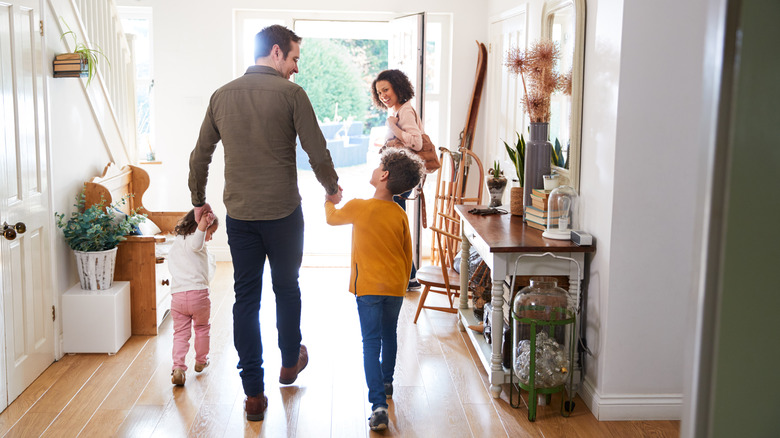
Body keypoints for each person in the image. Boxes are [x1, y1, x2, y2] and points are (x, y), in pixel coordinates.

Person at [188, 24, 342, 422]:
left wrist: (197, 202)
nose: (296, 68)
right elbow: (316, 150)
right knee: (287, 288)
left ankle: (253, 394)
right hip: (284, 215)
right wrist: (332, 188)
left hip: (240, 216)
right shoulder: (292, 95)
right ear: (276, 52)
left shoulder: (221, 95)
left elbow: (198, 156)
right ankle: (290, 362)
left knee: (245, 299)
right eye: (294, 58)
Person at [324, 147, 425, 431]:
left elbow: (332, 218)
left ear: (384, 175)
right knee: (389, 333)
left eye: (379, 165)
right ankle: (387, 382)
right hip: (394, 286)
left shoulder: (358, 206)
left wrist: (329, 200)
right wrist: (403, 283)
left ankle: (378, 405)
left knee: (371, 342)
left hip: (367, 288)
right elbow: (408, 256)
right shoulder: (399, 214)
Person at [371, 69, 424, 290]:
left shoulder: (405, 111)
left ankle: (409, 276)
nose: (383, 95)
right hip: (396, 178)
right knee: (397, 226)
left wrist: (392, 127)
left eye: (386, 89)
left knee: (395, 228)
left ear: (397, 87)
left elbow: (417, 142)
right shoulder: (399, 111)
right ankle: (409, 276)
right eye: (379, 92)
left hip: (400, 179)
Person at [169, 208, 218, 386]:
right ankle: (201, 360)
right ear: (200, 227)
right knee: (202, 328)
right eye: (210, 233)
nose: (210, 238)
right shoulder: (196, 241)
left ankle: (178, 368)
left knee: (180, 334)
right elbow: (197, 242)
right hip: (198, 295)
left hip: (178, 297)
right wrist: (203, 226)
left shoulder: (177, 242)